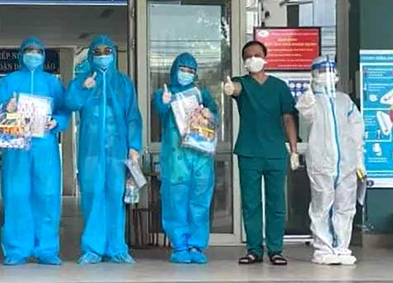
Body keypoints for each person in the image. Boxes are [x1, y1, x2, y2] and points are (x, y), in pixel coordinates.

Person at [0, 37, 70, 266]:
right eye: (29, 51)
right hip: (16, 146)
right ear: (21, 53)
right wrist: (6, 107)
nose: (34, 55)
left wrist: (57, 122)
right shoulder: (10, 80)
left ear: (43, 56)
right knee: (16, 194)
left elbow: (64, 110)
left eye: (38, 52)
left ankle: (47, 249)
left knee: (48, 195)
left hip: (45, 146)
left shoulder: (52, 82)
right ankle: (16, 249)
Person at [65, 35, 143, 265]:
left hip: (117, 150)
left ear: (114, 53)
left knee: (115, 195)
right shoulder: (82, 80)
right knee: (92, 194)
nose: (102, 56)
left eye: (106, 51)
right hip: (90, 150)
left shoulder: (124, 83)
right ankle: (93, 248)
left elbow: (133, 117)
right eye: (97, 52)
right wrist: (82, 87)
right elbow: (70, 103)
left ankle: (117, 247)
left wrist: (134, 146)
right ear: (90, 55)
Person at [223, 40, 298, 266]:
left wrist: (294, 150)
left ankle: (276, 250)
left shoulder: (279, 87)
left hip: (276, 152)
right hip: (249, 152)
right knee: (251, 203)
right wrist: (229, 88)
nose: (252, 59)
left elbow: (288, 118)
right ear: (244, 62)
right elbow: (234, 89)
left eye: (257, 54)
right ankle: (254, 250)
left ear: (266, 57)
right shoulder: (241, 83)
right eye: (248, 56)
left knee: (276, 204)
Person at [294, 56, 365, 265]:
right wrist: (309, 92)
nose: (327, 74)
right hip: (321, 162)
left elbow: (357, 132)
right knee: (322, 204)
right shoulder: (310, 100)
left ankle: (342, 247)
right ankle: (323, 248)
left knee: (345, 205)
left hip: (346, 162)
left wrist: (359, 160)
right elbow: (305, 113)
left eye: (330, 70)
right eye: (322, 71)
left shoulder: (344, 101)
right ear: (314, 74)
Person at [153, 53, 218, 264]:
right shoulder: (166, 93)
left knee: (199, 200)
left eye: (191, 71)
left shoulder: (201, 93)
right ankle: (179, 246)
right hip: (175, 157)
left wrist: (209, 114)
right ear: (174, 70)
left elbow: (214, 113)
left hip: (200, 155)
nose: (186, 74)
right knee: (175, 199)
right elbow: (160, 112)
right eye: (183, 69)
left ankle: (196, 246)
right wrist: (164, 103)